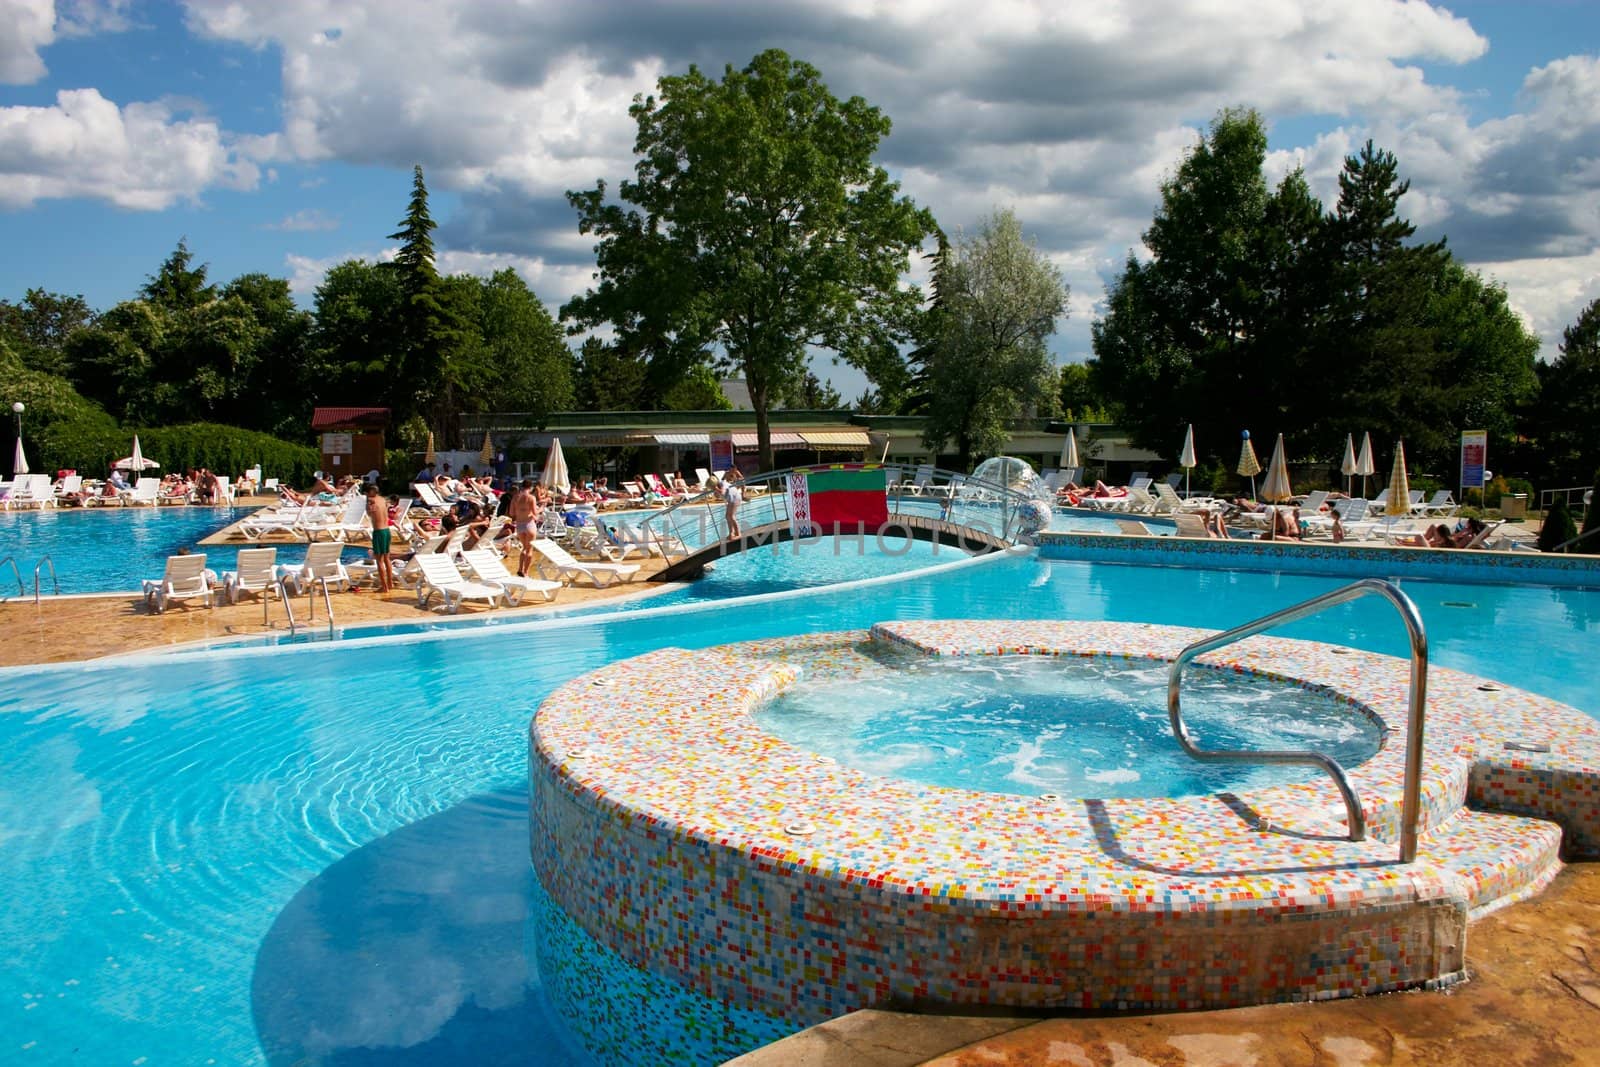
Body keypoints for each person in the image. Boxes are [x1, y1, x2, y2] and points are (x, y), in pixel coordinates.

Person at [365, 484, 393, 593]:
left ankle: (384, 587)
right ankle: (390, 583)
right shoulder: (383, 499)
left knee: (379, 560)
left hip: (379, 532)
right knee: (387, 558)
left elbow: (369, 513)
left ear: (370, 492)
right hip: (387, 531)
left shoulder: (371, 501)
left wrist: (368, 502)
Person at [509, 479, 539, 577]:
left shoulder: (515, 497)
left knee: (524, 548)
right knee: (529, 550)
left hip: (519, 525)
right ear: (530, 487)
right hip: (529, 524)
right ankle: (525, 572)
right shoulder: (531, 498)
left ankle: (520, 569)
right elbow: (535, 513)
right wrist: (540, 509)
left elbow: (511, 513)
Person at [723, 467, 744, 538]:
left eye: (733, 470)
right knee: (728, 516)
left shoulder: (737, 473)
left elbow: (742, 480)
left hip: (734, 495)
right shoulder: (726, 474)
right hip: (731, 494)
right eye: (731, 469)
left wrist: (736, 480)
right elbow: (723, 481)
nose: (732, 471)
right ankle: (731, 532)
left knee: (731, 516)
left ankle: (737, 533)